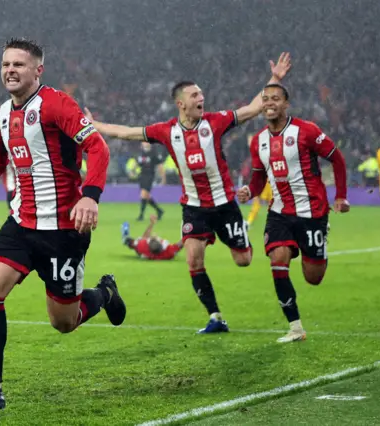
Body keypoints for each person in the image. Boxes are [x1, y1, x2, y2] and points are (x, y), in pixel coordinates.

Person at [0, 38, 126, 412]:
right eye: (5, 64)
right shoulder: (2, 113)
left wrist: (90, 196)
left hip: (64, 230)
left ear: (37, 71)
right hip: (22, 223)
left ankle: (104, 295)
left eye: (19, 64)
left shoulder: (57, 104)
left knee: (64, 322)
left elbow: (99, 148)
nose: (10, 70)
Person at [85, 52, 292, 334]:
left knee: (243, 260)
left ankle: (239, 237)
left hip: (224, 204)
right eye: (195, 95)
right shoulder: (166, 131)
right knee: (194, 259)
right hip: (194, 207)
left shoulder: (215, 122)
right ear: (181, 103)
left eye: (202, 94)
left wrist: (275, 79)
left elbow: (253, 108)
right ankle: (216, 317)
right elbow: (127, 132)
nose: (201, 98)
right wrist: (94, 125)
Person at [237, 83, 350, 343]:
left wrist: (341, 196)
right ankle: (295, 327)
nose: (269, 103)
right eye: (265, 99)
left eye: (275, 99)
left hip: (312, 211)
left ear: (286, 104)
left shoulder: (306, 131)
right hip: (279, 212)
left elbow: (338, 159)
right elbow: (257, 180)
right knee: (278, 260)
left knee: (313, 278)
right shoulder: (258, 142)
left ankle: (322, 239)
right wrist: (249, 191)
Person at [245, 133, 273, 227]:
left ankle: (273, 222)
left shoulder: (261, 150)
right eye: (248, 140)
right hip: (261, 179)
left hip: (267, 180)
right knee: (257, 201)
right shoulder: (255, 152)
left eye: (250, 140)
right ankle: (249, 222)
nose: (248, 143)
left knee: (272, 202)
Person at [135, 142, 166, 221]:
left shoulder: (154, 153)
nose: (145, 143)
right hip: (142, 176)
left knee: (143, 194)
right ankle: (159, 210)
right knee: (146, 196)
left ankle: (141, 215)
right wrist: (133, 170)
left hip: (149, 176)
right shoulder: (141, 153)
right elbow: (138, 163)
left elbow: (160, 166)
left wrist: (163, 178)